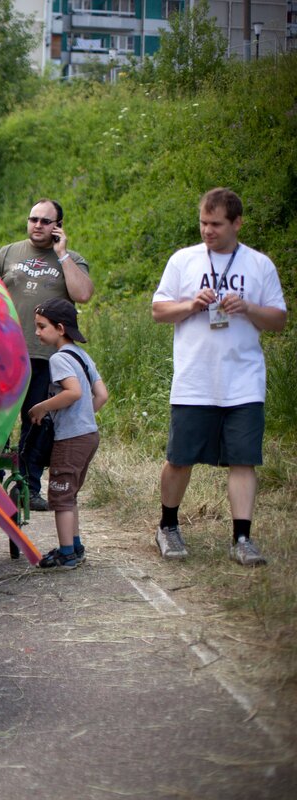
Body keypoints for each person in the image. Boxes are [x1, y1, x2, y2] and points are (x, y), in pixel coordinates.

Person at [151, 188, 287, 566]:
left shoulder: (259, 265)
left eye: (216, 224)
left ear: (237, 223)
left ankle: (242, 538)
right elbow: (159, 311)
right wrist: (191, 304)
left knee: (244, 460)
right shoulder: (184, 260)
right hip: (195, 379)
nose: (207, 230)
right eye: (203, 222)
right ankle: (167, 526)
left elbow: (279, 320)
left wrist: (247, 308)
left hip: (243, 381)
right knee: (179, 459)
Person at [0, 199, 94, 511]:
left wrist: (62, 256)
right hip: (4, 352)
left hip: (46, 357)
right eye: (34, 219)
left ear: (58, 226)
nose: (38, 225)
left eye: (46, 221)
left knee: (37, 419)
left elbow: (83, 294)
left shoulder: (72, 259)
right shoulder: (7, 252)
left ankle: (28, 486)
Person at [28, 298, 108, 569]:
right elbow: (102, 395)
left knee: (60, 497)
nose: (37, 332)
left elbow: (72, 393)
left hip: (71, 438)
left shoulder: (60, 358)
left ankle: (66, 554)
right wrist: (84, 418)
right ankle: (74, 546)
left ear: (60, 328)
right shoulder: (82, 355)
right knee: (70, 494)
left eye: (41, 326)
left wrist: (42, 407)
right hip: (88, 435)